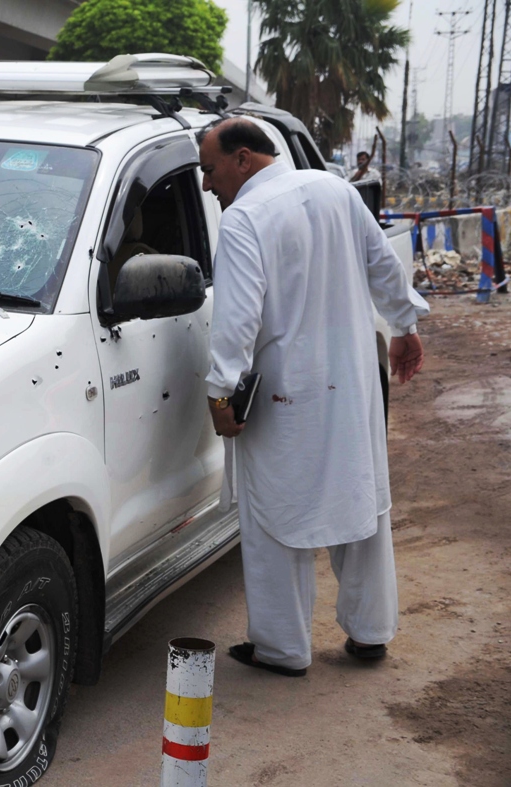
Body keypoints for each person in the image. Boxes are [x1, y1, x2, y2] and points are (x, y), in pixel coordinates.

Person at [196, 118, 428, 677]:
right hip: (349, 385)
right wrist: (403, 324)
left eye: (209, 170)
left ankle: (282, 649)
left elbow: (236, 319)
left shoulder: (246, 218)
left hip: (284, 397)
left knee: (274, 517)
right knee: (361, 498)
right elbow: (383, 265)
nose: (207, 185)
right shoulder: (335, 189)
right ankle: (371, 633)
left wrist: (222, 393)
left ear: (244, 159)